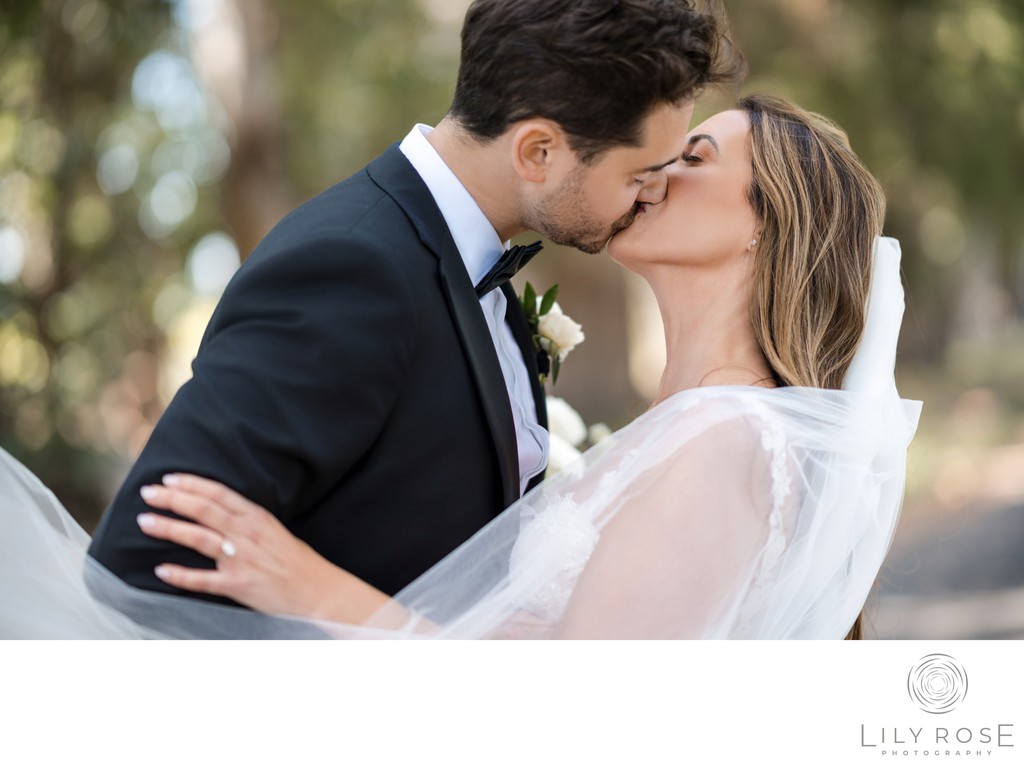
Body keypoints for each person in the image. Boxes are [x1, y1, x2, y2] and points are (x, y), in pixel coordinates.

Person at [0, 95, 920, 639]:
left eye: (695, 156)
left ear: (767, 222)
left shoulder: (725, 440)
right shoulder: (688, 427)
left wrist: (307, 586)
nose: (653, 170)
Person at [83, 0, 742, 609]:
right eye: (638, 175)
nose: (650, 196)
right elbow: (145, 560)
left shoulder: (474, 268)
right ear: (538, 151)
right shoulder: (352, 269)